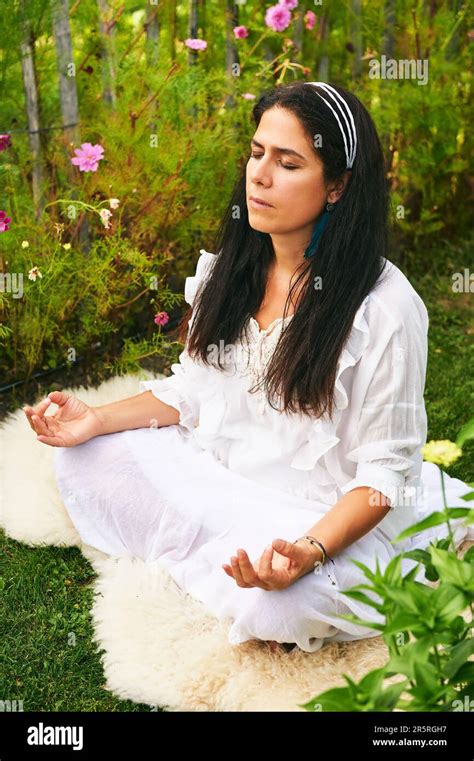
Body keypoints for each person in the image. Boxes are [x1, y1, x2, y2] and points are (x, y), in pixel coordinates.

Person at [23, 81, 471, 654]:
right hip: (223, 483)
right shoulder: (231, 267)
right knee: (85, 460)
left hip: (326, 517)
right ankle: (222, 559)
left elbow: (385, 474)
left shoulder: (386, 306)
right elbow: (194, 392)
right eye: (257, 153)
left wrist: (306, 551)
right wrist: (98, 420)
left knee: (278, 601)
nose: (259, 175)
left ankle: (239, 570)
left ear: (336, 186)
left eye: (288, 163)